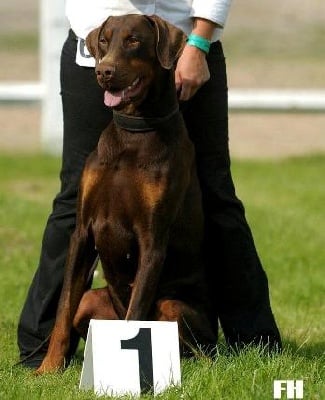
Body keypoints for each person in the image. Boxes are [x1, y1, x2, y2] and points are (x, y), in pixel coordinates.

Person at [17, 0, 281, 368]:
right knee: (71, 204)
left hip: (186, 45)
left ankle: (256, 347)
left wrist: (199, 43)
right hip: (88, 45)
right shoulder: (102, 53)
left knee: (216, 196)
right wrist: (102, 50)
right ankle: (41, 348)